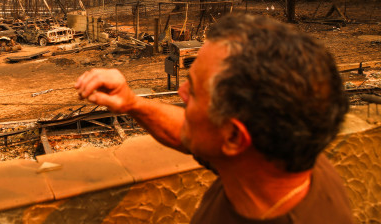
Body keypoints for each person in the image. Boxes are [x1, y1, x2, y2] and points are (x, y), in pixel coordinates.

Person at [75, 14, 353, 223]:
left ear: (233, 137)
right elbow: (191, 132)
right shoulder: (284, 155)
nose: (181, 91)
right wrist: (132, 103)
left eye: (193, 91)